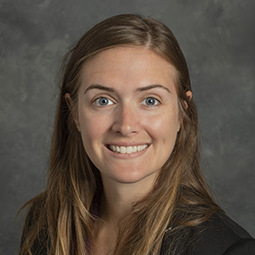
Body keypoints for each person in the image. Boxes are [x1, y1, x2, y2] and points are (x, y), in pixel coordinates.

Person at [19, 14, 255, 255]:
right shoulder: (44, 222)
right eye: (103, 100)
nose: (126, 125)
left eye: (150, 100)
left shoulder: (229, 249)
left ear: (181, 114)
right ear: (75, 113)